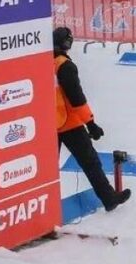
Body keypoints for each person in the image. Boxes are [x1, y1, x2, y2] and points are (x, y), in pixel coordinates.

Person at [53, 27, 131, 212]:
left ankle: (47, 208)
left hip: (49, 123)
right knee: (91, 163)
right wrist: (90, 123)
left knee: (47, 171)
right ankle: (109, 198)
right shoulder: (65, 65)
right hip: (70, 123)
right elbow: (77, 98)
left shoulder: (42, 63)